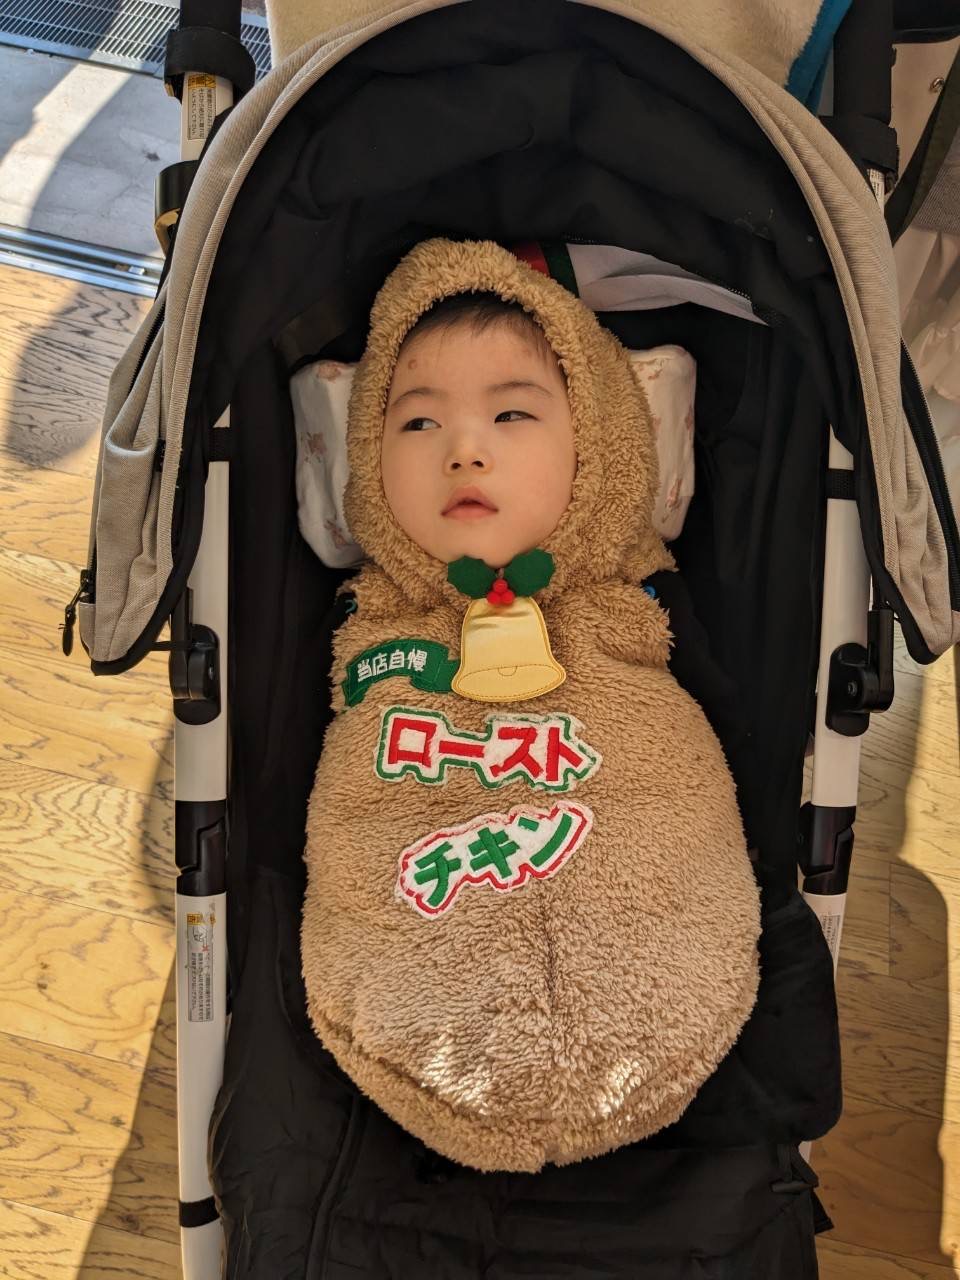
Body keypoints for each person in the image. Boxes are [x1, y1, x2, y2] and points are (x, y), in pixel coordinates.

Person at [301, 237, 761, 1175]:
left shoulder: (641, 602)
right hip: (421, 947)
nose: (464, 450)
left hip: (642, 896)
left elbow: (720, 737)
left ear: (599, 442)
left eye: (511, 413)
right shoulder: (368, 622)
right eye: (417, 422)